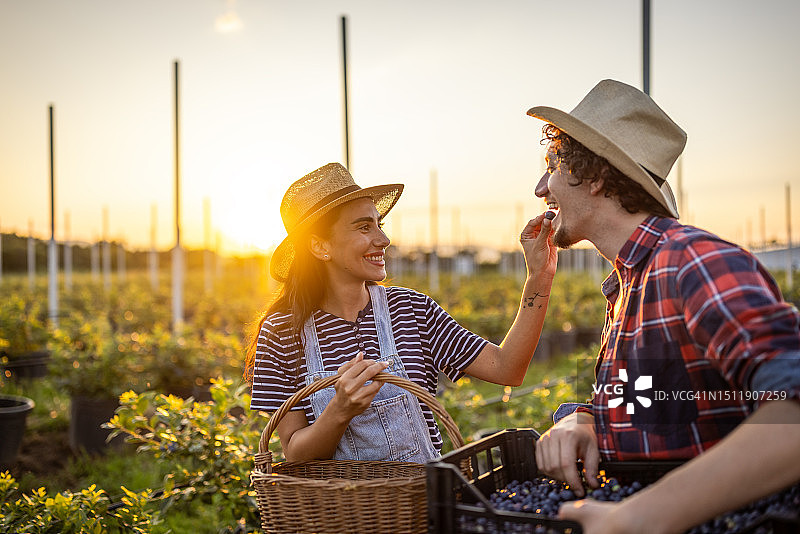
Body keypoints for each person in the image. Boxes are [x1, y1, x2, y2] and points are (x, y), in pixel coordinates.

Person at [526, 79, 800, 534]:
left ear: (594, 177)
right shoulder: (627, 285)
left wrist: (639, 516)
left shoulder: (694, 262)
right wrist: (586, 418)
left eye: (552, 167)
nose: (541, 187)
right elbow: (656, 403)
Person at [244, 162, 557, 463]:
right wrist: (339, 411)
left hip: (421, 496)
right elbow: (294, 452)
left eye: (379, 224)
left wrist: (539, 275)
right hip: (339, 502)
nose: (383, 240)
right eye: (364, 227)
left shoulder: (412, 309)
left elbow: (507, 368)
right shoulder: (281, 333)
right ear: (320, 246)